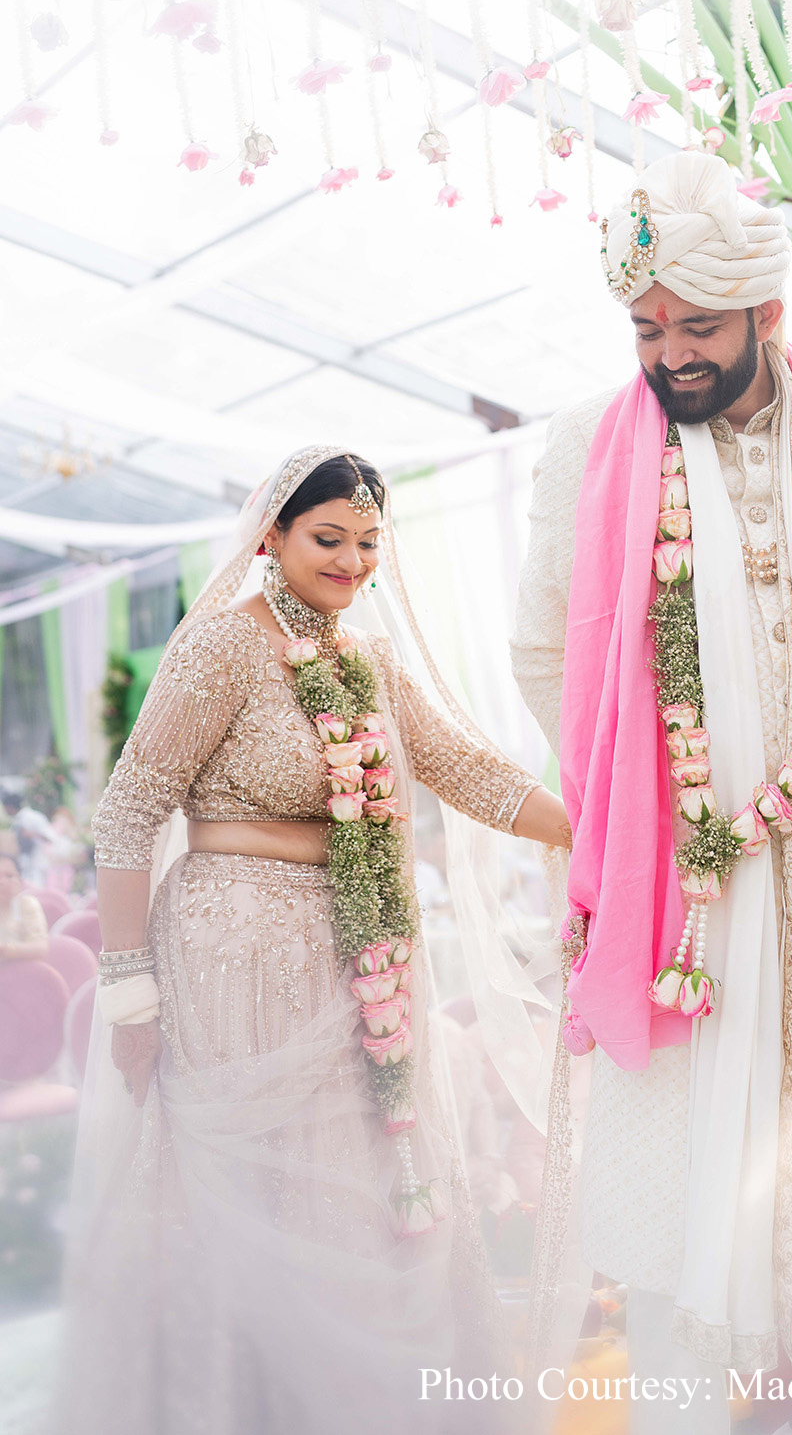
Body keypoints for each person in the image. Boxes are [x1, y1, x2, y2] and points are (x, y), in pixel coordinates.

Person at [512, 153, 792, 1434]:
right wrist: (643, 803)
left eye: (695, 326)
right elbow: (542, 647)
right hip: (684, 912)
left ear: (768, 313)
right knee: (672, 1259)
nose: (668, 355)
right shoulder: (578, 453)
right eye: (646, 329)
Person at [56, 445, 569, 1435]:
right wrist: (128, 994)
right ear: (271, 536)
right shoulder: (218, 647)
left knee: (367, 1191)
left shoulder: (366, 657)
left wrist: (589, 832)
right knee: (255, 1197)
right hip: (230, 964)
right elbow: (127, 815)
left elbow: (464, 765)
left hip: (357, 950)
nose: (350, 559)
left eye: (368, 541)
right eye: (327, 537)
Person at [0, 850, 49, 960]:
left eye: (9, 876)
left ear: (20, 881)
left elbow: (40, 948)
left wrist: (6, 950)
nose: (2, 882)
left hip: (20, 972)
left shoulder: (26, 905)